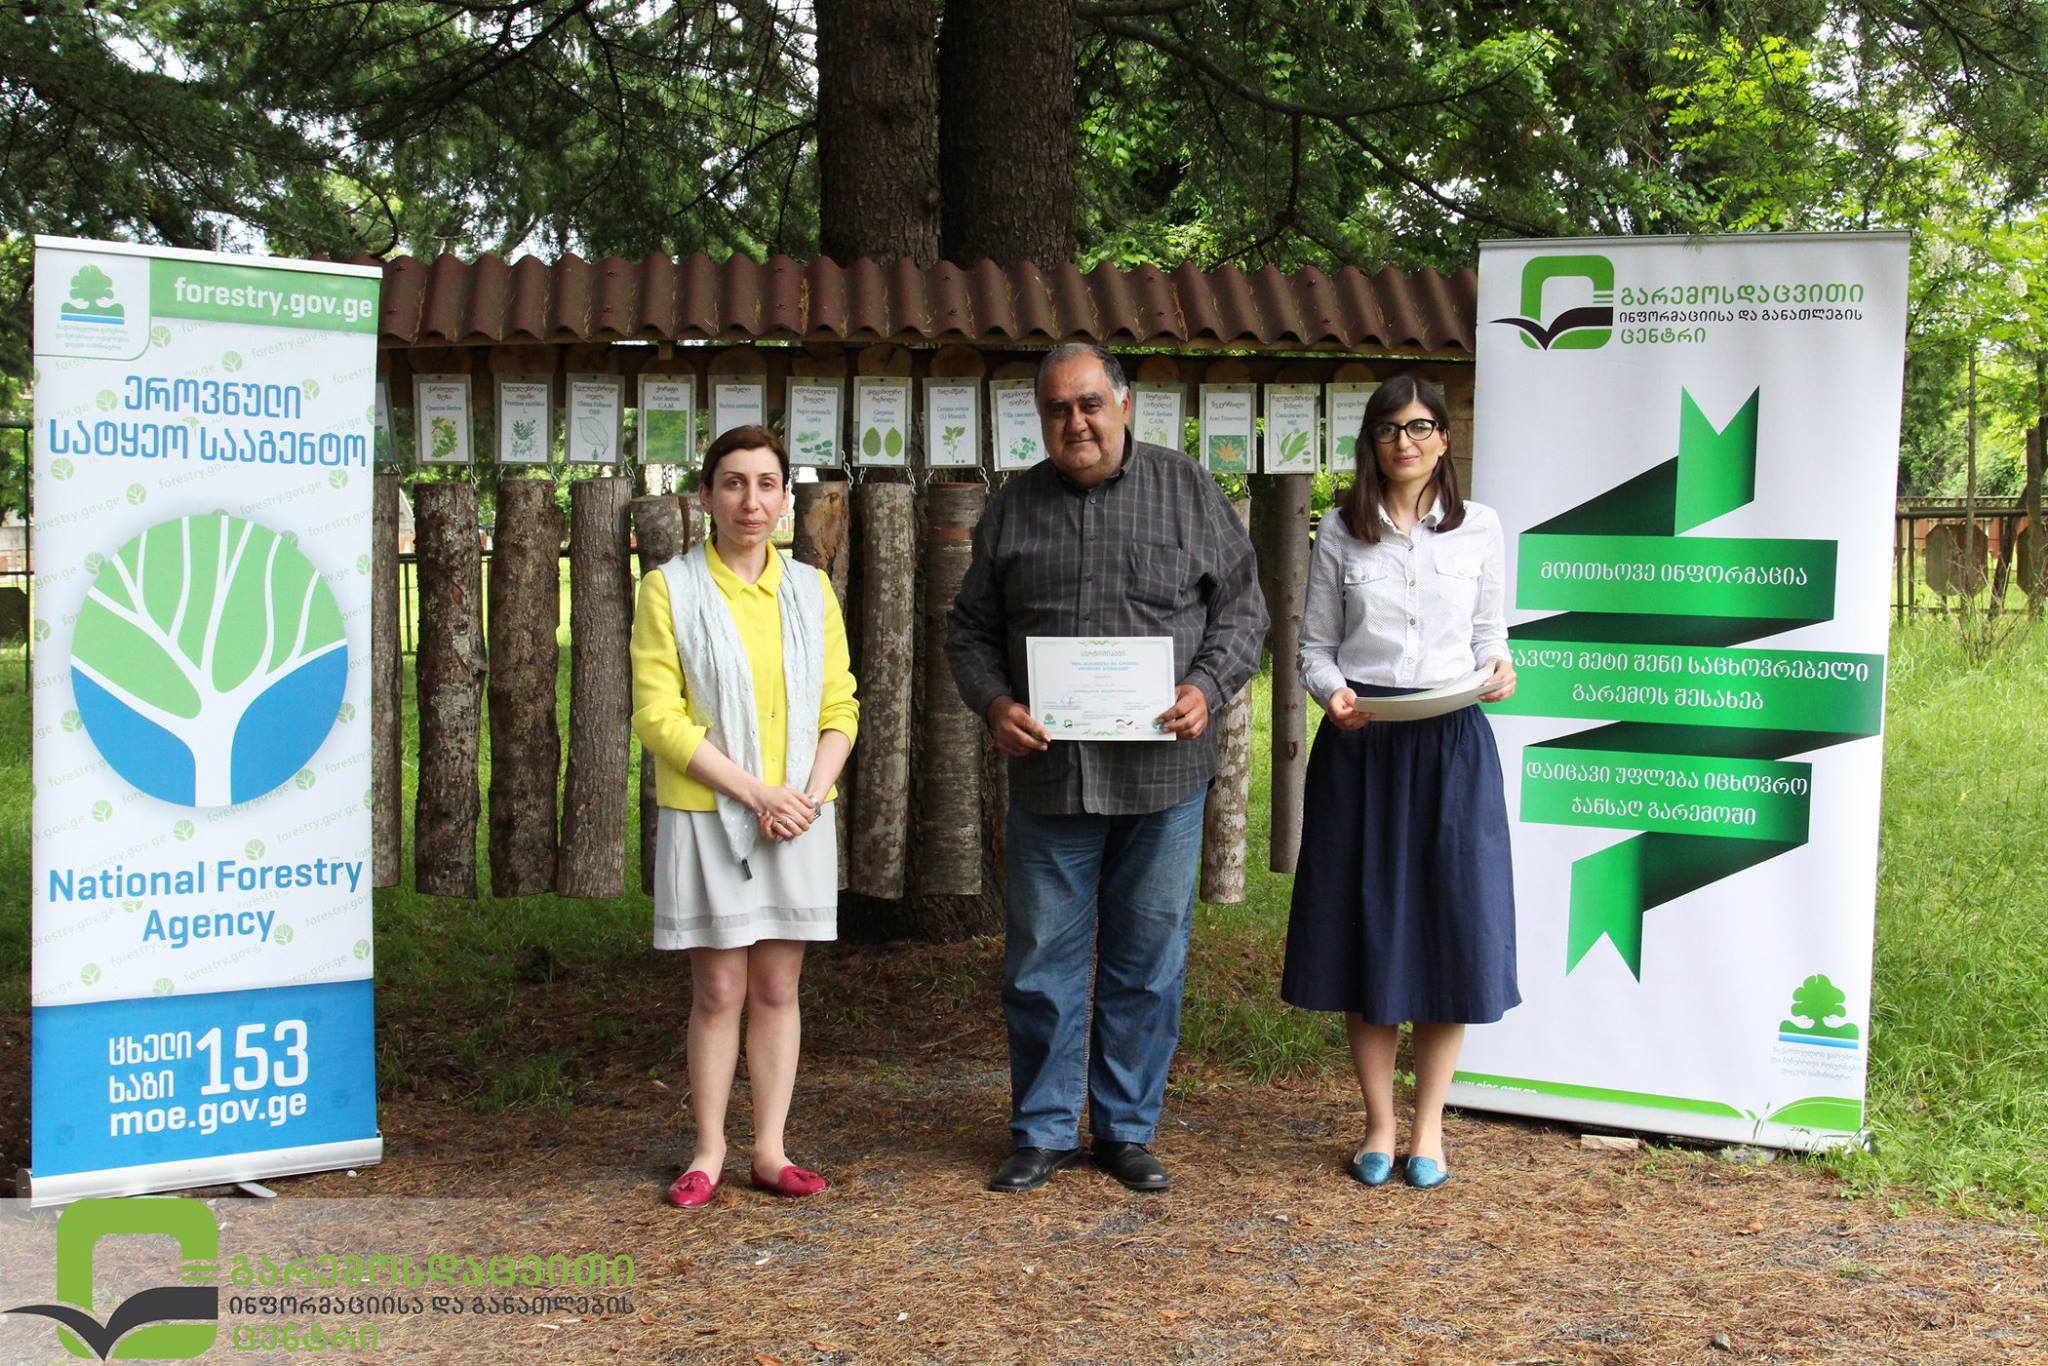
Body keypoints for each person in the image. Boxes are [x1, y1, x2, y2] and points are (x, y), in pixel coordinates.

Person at [948, 342, 1268, 1194]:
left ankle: (1125, 1129)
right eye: (1057, 409)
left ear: (1124, 404)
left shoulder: (1187, 490)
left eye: (1089, 403)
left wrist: (1207, 687)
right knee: (1039, 963)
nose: (1075, 422)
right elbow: (969, 629)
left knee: (1148, 960)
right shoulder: (1014, 507)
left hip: (1164, 781)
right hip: (1053, 778)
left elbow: (1244, 613)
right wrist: (994, 704)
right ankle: (1044, 1130)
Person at [1281, 375, 1520, 1190]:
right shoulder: (1340, 532)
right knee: (1369, 929)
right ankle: (1379, 1125)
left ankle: (1430, 1130)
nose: (1404, 442)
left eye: (1419, 427)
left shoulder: (1479, 527)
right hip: (1365, 745)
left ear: (1444, 439)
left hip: (1452, 745)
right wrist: (1332, 695)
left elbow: (1491, 635)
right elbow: (1314, 649)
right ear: (1371, 444)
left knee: (1452, 928)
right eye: (1388, 429)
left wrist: (1500, 667)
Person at [630, 424, 859, 1208]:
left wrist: (807, 797)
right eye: (733, 483)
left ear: (786, 498)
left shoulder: (810, 590)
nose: (750, 501)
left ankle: (770, 1150)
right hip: (710, 813)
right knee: (720, 987)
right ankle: (708, 1151)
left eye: (766, 484)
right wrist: (757, 794)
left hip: (798, 814)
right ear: (705, 497)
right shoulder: (670, 589)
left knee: (778, 985)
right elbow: (658, 717)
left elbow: (840, 706)